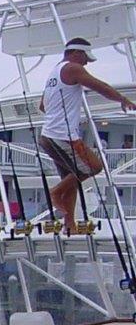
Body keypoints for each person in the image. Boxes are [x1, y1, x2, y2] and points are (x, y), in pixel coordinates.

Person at [38, 37, 136, 231]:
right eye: (86, 58)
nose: (86, 63)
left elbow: (43, 106)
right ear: (77, 53)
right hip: (62, 135)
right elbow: (101, 87)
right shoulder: (73, 68)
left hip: (47, 135)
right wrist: (123, 100)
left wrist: (65, 111)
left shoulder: (54, 72)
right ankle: (55, 193)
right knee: (94, 167)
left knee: (71, 179)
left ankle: (69, 225)